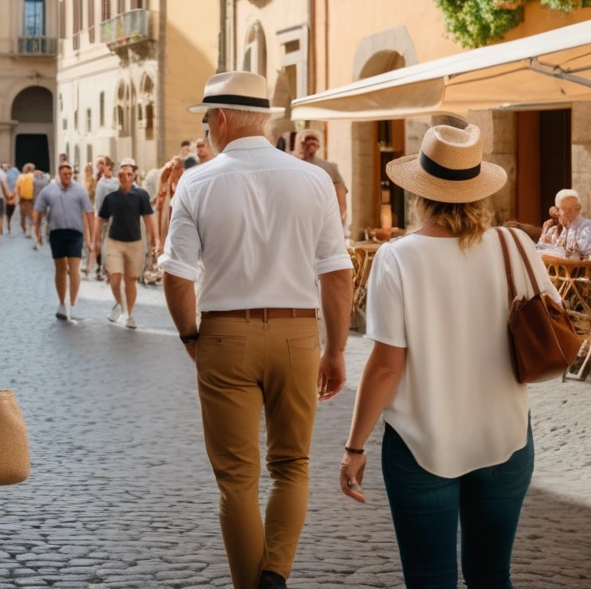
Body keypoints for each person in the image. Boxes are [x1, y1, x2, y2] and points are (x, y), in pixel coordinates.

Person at [159, 71, 353, 589]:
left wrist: (188, 336)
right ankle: (276, 574)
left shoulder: (197, 180)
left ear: (220, 119)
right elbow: (337, 272)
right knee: (292, 464)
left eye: (206, 119)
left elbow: (175, 277)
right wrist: (335, 350)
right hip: (296, 336)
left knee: (237, 480)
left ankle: (253, 585)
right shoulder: (314, 179)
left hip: (225, 335)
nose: (205, 129)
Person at [339, 124, 554, 588]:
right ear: (479, 192)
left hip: (423, 443)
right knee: (493, 576)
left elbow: (385, 366)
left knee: (430, 580)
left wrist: (354, 446)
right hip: (506, 435)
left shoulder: (397, 258)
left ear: (420, 193)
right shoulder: (516, 245)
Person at [95, 158, 159, 328]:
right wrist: (97, 240)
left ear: (133, 174)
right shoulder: (110, 191)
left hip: (135, 239)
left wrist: (154, 240)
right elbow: (100, 214)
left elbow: (148, 218)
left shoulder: (141, 194)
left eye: (129, 171)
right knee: (115, 278)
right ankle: (123, 308)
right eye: (122, 170)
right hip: (114, 238)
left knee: (130, 279)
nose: (125, 175)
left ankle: (126, 312)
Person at [33, 162, 94, 320]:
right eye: (65, 173)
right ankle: (61, 303)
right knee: (60, 268)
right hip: (57, 233)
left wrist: (92, 237)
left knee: (74, 268)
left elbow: (89, 212)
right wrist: (36, 230)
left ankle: (73, 305)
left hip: (75, 233)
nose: (68, 176)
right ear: (59, 174)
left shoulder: (80, 190)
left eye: (70, 173)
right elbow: (38, 209)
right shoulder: (49, 190)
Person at [296, 129, 348, 224]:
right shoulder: (290, 164)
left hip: (321, 217)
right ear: (298, 143)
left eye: (313, 139)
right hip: (296, 216)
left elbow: (340, 189)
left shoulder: (328, 167)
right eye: (307, 139)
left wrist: (341, 216)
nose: (311, 142)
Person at [537, 188, 591, 259]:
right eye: (564, 208)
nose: (568, 212)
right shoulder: (563, 229)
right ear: (557, 211)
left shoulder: (586, 227)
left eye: (573, 208)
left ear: (578, 208)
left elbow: (585, 256)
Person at [92, 158, 119, 279]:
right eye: (101, 164)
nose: (103, 167)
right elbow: (98, 202)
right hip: (105, 216)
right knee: (103, 242)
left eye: (105, 164)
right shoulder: (100, 183)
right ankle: (103, 267)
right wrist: (99, 217)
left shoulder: (117, 181)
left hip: (117, 216)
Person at [31, 168, 51, 249]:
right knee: (42, 221)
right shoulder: (46, 179)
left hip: (37, 203)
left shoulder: (33, 180)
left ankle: (38, 239)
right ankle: (41, 238)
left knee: (37, 222)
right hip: (42, 203)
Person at [15, 163, 36, 237]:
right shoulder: (34, 177)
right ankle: (31, 229)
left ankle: (25, 228)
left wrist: (17, 199)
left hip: (23, 199)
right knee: (31, 215)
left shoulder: (20, 177)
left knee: (23, 215)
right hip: (32, 199)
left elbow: (17, 188)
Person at [4, 162, 21, 234]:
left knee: (8, 210)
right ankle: (8, 223)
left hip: (8, 193)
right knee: (10, 209)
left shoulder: (7, 173)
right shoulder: (17, 173)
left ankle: (8, 223)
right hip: (13, 193)